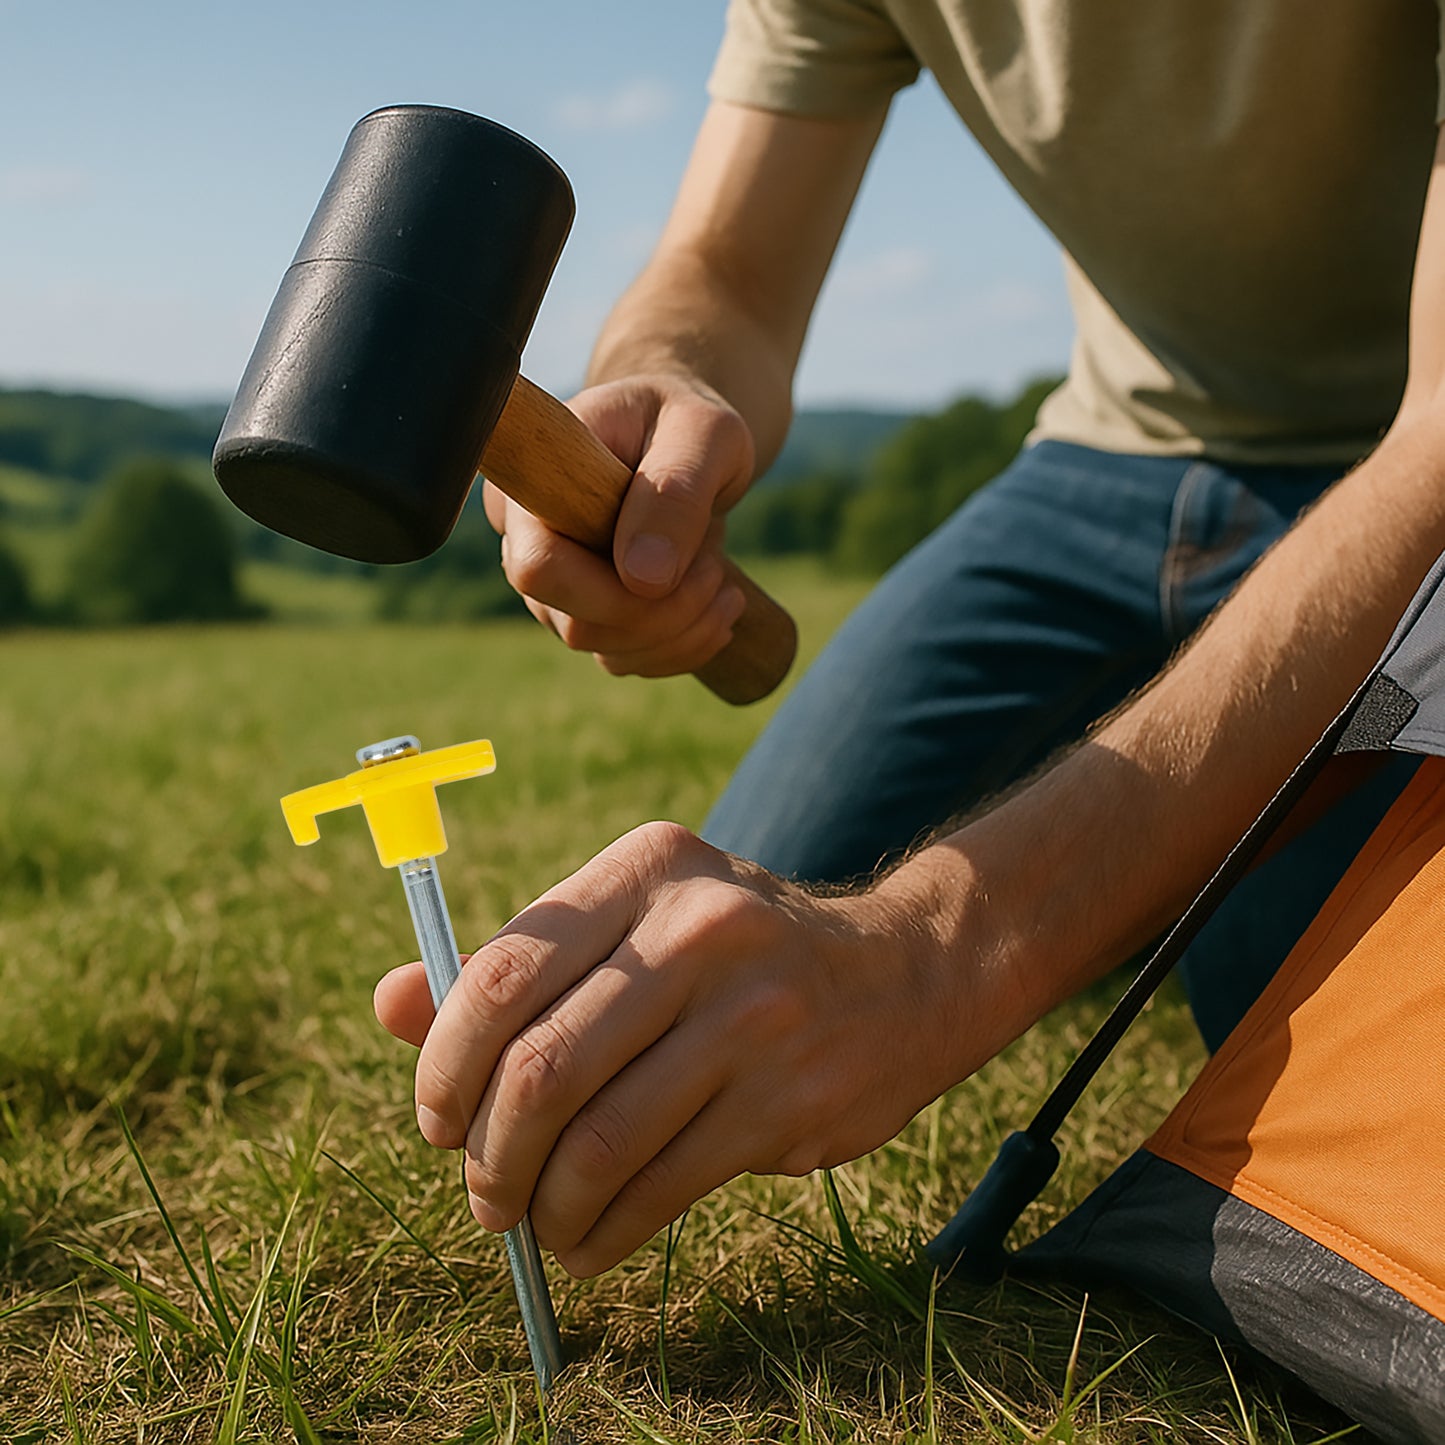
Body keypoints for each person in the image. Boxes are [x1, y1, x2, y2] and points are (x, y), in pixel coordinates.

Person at [374, 1, 1445, 1278]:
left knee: (1302, 1026)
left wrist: (928, 957)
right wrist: (677, 377)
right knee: (747, 922)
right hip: (1102, 457)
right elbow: (728, 268)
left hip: (1406, 474)